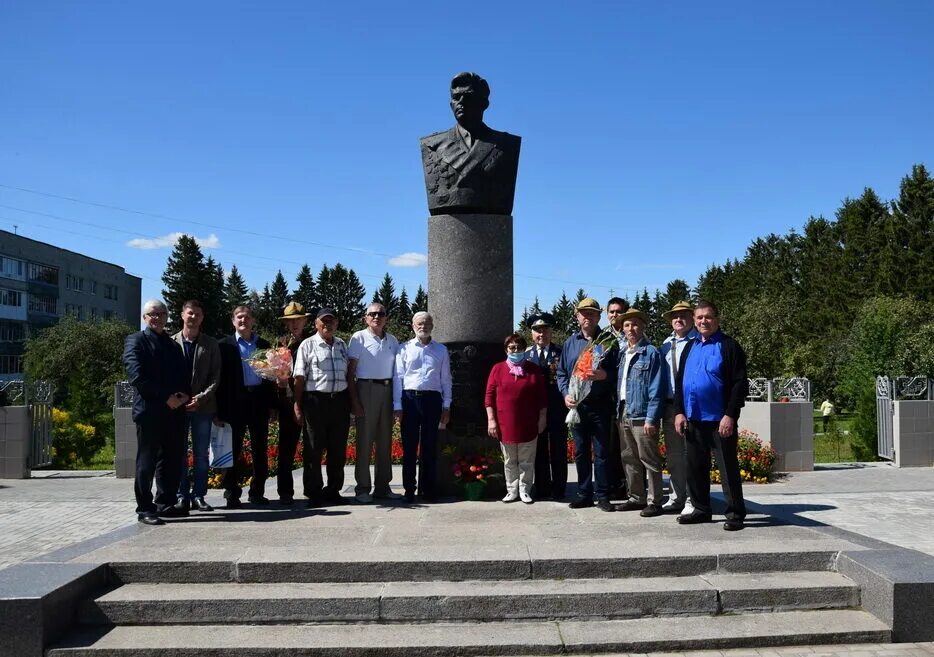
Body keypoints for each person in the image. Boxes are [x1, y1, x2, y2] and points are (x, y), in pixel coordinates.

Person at [673, 301, 749, 531]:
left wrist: (730, 415)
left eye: (708, 317)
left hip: (719, 420)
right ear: (694, 321)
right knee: (695, 467)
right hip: (693, 418)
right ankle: (701, 509)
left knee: (727, 468)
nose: (703, 321)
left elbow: (739, 384)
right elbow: (680, 383)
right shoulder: (690, 347)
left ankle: (735, 513)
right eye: (699, 318)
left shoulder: (729, 346)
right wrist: (679, 412)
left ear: (717, 319)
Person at [122, 300, 190, 525]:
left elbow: (183, 375)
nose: (158, 317)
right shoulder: (136, 341)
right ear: (144, 317)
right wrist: (166, 398)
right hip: (150, 411)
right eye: (153, 314)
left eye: (162, 313)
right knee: (147, 461)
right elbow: (137, 377)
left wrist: (184, 396)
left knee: (171, 460)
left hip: (174, 412)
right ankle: (144, 508)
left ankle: (165, 503)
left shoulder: (172, 345)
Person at [419, 72, 521, 216]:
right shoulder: (432, 144)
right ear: (450, 104)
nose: (460, 102)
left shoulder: (506, 144)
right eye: (455, 97)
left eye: (467, 96)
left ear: (484, 103)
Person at [556, 298, 618, 512]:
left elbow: (619, 373)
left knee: (601, 452)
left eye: (592, 313)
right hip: (577, 407)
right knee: (581, 452)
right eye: (583, 313)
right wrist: (565, 394)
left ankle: (602, 495)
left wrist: (605, 375)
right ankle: (584, 494)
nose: (587, 317)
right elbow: (562, 373)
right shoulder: (570, 343)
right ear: (577, 316)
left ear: (598, 317)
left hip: (600, 406)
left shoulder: (608, 340)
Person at [216, 305, 276, 509]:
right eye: (239, 317)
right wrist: (218, 409)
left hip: (258, 402)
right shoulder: (224, 346)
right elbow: (218, 380)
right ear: (233, 321)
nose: (243, 321)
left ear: (253, 321)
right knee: (233, 449)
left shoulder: (264, 345)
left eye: (247, 317)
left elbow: (271, 378)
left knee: (261, 450)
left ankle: (257, 492)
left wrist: (272, 405)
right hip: (234, 404)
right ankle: (232, 493)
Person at [293, 307, 351, 507]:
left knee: (337, 449)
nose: (328, 324)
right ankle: (313, 491)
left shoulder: (342, 345)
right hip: (315, 402)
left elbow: (349, 375)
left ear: (336, 323)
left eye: (331, 321)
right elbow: (299, 378)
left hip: (339, 401)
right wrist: (297, 405)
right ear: (316, 324)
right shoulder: (307, 345)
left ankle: (334, 490)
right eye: (323, 321)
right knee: (313, 448)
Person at [393, 311, 452, 503]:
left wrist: (446, 405)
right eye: (419, 323)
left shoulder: (441, 350)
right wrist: (397, 406)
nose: (423, 326)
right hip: (409, 399)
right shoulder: (404, 349)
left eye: (427, 323)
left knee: (429, 447)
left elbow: (446, 380)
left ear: (432, 326)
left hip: (432, 400)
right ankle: (409, 489)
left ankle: (428, 489)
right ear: (412, 326)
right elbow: (398, 379)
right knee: (409, 448)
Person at [348, 303, 402, 503]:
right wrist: (354, 400)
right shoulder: (358, 337)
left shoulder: (393, 340)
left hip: (388, 389)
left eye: (381, 313)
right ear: (365, 317)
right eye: (372, 314)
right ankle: (362, 488)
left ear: (386, 317)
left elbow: (398, 370)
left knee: (385, 440)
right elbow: (350, 371)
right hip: (366, 389)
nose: (377, 317)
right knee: (364, 440)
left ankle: (382, 486)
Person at [614, 309, 665, 517]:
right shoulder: (623, 353)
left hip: (643, 413)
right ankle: (636, 497)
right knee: (629, 457)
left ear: (643, 327)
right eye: (627, 325)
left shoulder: (651, 352)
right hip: (623, 410)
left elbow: (656, 388)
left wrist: (651, 418)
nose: (630, 329)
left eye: (635, 324)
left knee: (649, 458)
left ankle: (655, 501)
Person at [172, 299, 221, 513]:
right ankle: (182, 495)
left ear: (202, 318)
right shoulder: (170, 342)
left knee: (201, 454)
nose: (193, 317)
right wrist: (179, 398)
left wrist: (200, 398)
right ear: (182, 315)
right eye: (190, 313)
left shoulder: (211, 344)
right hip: (177, 407)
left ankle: (199, 495)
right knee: (179, 453)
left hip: (203, 407)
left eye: (198, 314)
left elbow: (216, 376)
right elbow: (166, 375)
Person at [486, 333, 547, 504]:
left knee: (527, 460)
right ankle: (512, 490)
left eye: (519, 347)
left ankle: (525, 490)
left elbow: (542, 397)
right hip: (505, 423)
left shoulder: (533, 369)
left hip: (528, 422)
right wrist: (491, 420)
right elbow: (489, 396)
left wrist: (542, 418)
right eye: (512, 347)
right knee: (510, 460)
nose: (516, 350)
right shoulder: (497, 369)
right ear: (506, 350)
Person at [659, 301, 699, 516]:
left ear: (691, 318)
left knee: (691, 453)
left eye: (683, 315)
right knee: (674, 455)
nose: (678, 319)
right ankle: (676, 497)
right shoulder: (666, 344)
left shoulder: (698, 342)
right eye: (675, 316)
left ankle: (693, 498)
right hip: (669, 405)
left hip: (691, 405)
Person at [525, 312, 568, 500]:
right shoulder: (525, 355)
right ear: (532, 333)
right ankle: (542, 488)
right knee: (538, 450)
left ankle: (559, 489)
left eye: (545, 330)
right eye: (537, 331)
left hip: (557, 409)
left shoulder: (561, 353)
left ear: (551, 331)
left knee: (558, 450)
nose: (541, 334)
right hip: (534, 411)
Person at [275, 301, 312, 506]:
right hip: (287, 402)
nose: (295, 323)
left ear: (305, 321)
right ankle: (285, 491)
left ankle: (310, 488)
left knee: (311, 448)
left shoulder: (312, 341)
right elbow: (275, 376)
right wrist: (279, 381)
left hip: (311, 400)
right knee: (286, 449)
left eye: (298, 319)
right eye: (291, 321)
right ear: (286, 324)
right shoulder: (280, 344)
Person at [605, 297, 631, 500]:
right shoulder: (602, 338)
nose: (615, 315)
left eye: (618, 311)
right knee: (611, 445)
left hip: (629, 398)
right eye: (612, 312)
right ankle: (614, 485)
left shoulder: (633, 334)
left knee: (629, 445)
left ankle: (632, 485)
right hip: (608, 398)